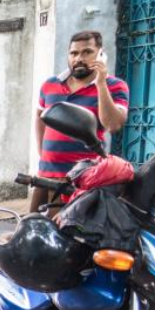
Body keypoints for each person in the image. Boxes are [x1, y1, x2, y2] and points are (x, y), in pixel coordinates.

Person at [31, 30, 130, 212]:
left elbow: (113, 124)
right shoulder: (50, 84)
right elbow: (40, 115)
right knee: (30, 229)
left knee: (65, 232)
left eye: (87, 52)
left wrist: (101, 83)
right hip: (45, 174)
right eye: (74, 53)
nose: (79, 58)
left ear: (101, 54)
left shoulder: (115, 86)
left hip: (80, 179)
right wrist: (41, 150)